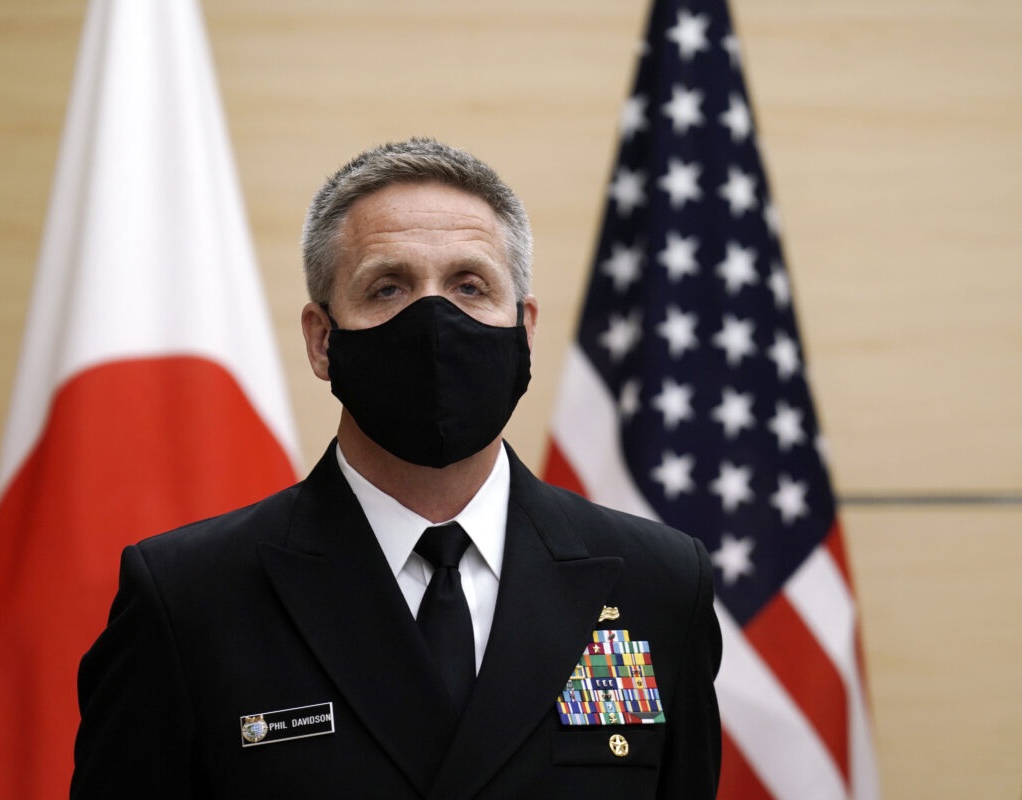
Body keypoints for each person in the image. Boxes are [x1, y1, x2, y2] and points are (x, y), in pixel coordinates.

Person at [72, 138, 721, 799]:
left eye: (470, 286)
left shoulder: (661, 586)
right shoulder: (189, 600)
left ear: (523, 331)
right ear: (323, 341)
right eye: (388, 288)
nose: (433, 321)